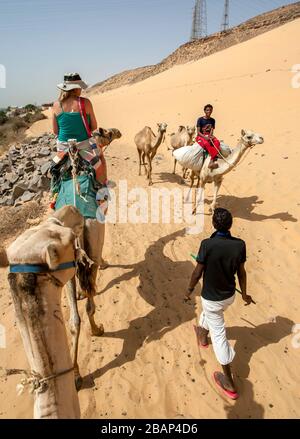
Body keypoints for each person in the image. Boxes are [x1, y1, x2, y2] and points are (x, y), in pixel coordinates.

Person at [185, 208, 254, 399]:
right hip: (229, 297)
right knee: (211, 313)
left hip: (212, 299)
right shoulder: (240, 245)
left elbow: (197, 273)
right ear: (230, 225)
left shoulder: (207, 244)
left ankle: (228, 381)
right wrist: (245, 294)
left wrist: (189, 291)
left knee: (220, 336)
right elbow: (241, 273)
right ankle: (201, 334)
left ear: (214, 225)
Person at [51, 72, 108, 270]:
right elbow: (94, 126)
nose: (82, 89)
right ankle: (102, 197)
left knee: (55, 171)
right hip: (84, 147)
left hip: (64, 149)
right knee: (101, 162)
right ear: (75, 88)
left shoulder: (56, 106)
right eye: (79, 87)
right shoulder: (85, 103)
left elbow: (55, 132)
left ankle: (55, 198)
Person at [196, 104, 221, 170]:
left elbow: (212, 130)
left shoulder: (213, 120)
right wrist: (205, 137)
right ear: (204, 111)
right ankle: (212, 160)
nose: (209, 111)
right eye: (207, 110)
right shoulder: (200, 119)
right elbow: (198, 132)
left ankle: (211, 160)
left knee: (217, 142)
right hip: (200, 136)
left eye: (210, 110)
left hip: (209, 135)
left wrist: (210, 136)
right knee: (206, 143)